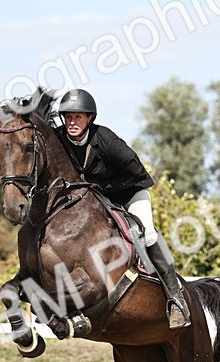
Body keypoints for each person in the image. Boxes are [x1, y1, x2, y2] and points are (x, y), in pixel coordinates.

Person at [53, 88, 191, 329]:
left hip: (128, 193)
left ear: (89, 119)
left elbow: (141, 177)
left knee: (147, 234)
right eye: (68, 117)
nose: (72, 122)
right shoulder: (60, 138)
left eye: (78, 117)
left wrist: (101, 186)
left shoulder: (107, 141)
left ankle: (175, 298)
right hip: (93, 202)